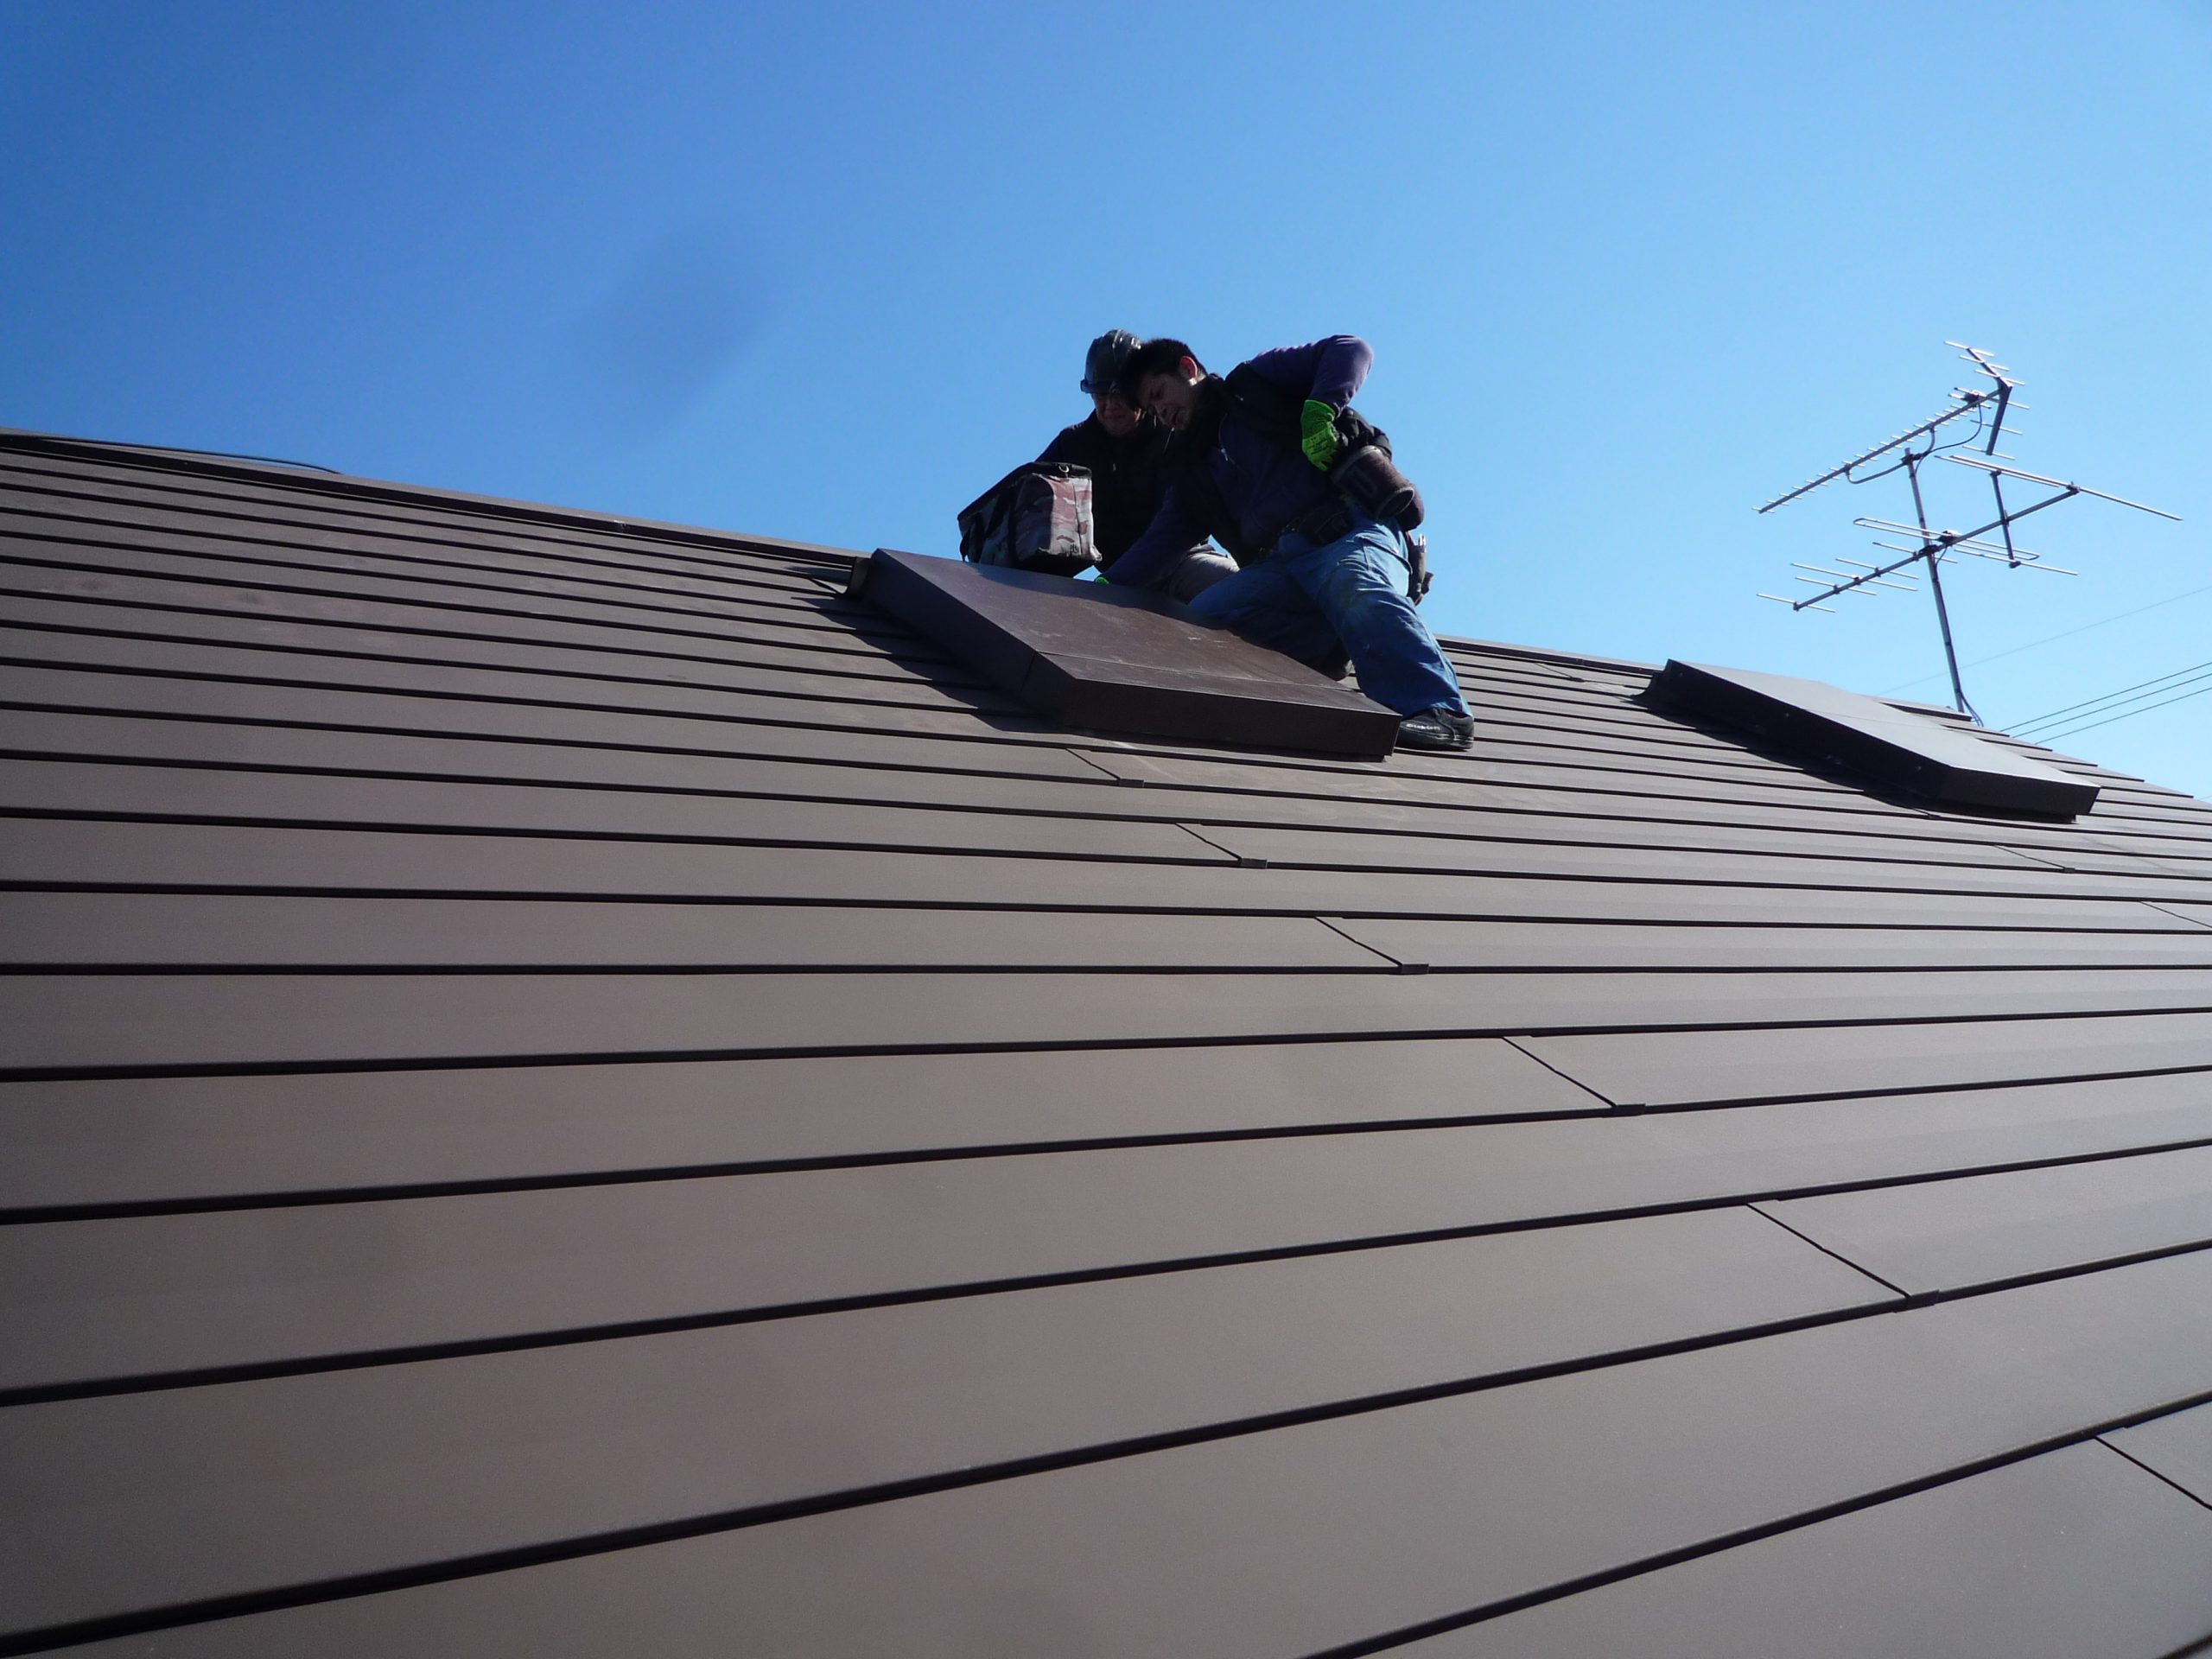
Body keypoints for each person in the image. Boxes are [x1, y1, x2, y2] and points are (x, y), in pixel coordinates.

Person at [1112, 334, 1475, 752]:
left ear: (1188, 369)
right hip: (1284, 569)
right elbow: (1158, 544)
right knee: (1206, 620)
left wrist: (1319, 413)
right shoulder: (1192, 469)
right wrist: (1098, 591)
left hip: (1350, 533)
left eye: (1159, 394)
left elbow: (1351, 349)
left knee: (1354, 584)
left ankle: (1439, 710)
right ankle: (1324, 653)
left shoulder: (1254, 385)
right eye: (1152, 410)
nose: (1161, 412)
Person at [1038, 330, 1235, 602]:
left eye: (1119, 394)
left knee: (1234, 584)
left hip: (1185, 562)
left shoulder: (1175, 427)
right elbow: (1027, 502)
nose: (1110, 405)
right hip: (1118, 581)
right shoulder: (1072, 445)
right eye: (1100, 395)